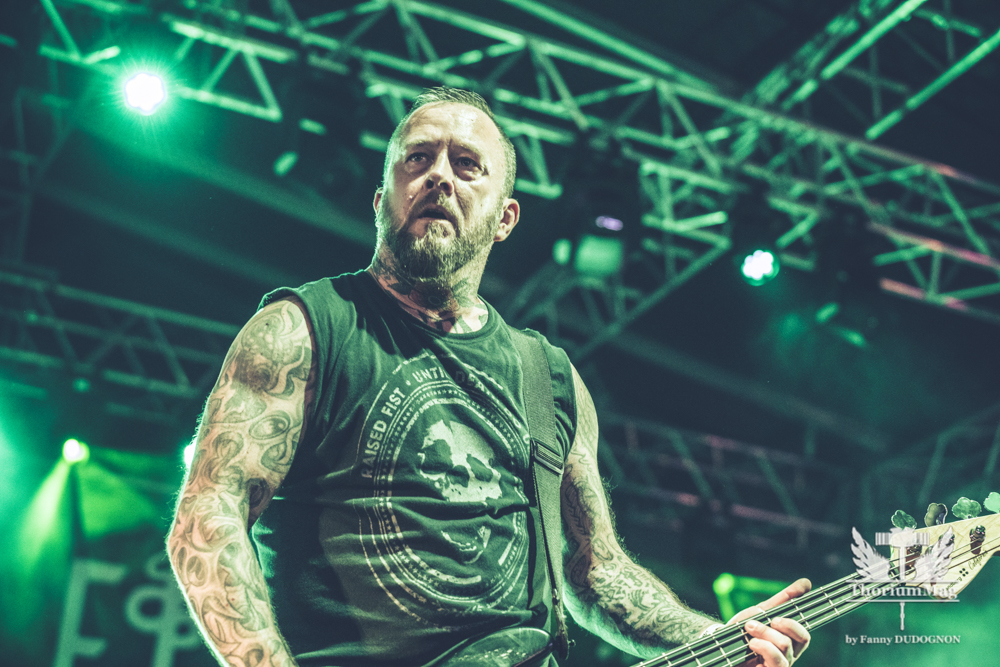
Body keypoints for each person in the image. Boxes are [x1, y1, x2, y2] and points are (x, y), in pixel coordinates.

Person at [167, 87, 811, 667]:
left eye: (467, 164)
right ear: (381, 201)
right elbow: (210, 512)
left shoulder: (547, 377)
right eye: (418, 159)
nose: (439, 176)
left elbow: (594, 571)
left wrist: (717, 640)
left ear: (505, 219)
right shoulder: (304, 329)